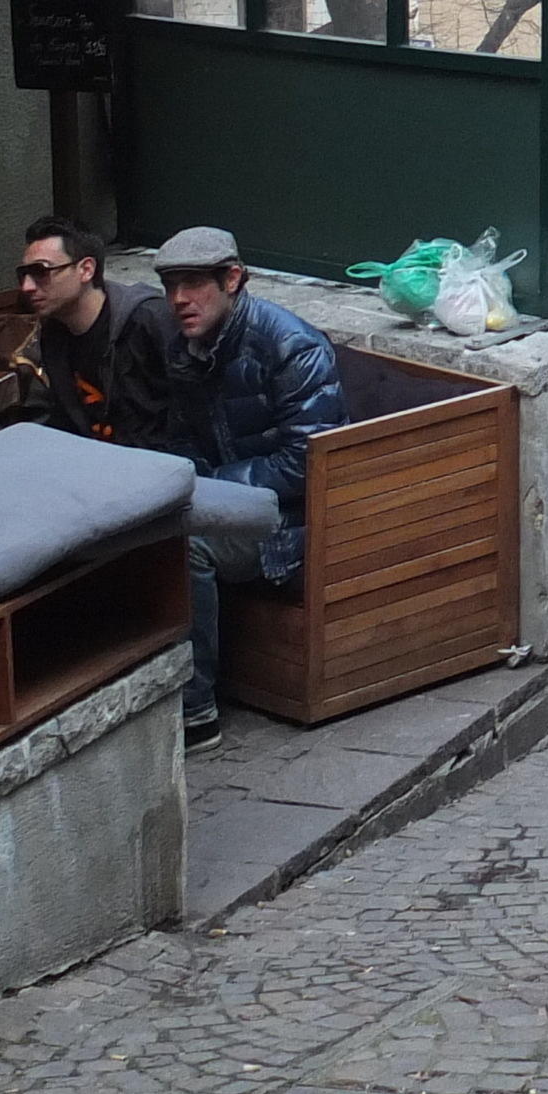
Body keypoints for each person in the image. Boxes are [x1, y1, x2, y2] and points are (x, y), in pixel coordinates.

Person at [146, 226, 343, 751]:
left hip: (292, 522)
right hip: (224, 502)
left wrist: (208, 489)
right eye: (170, 287)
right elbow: (181, 437)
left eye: (193, 284)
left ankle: (197, 711)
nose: (179, 300)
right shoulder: (187, 345)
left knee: (186, 545)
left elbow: (305, 466)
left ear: (232, 279)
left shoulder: (291, 347)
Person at [13, 219, 187, 447]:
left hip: (160, 465)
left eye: (40, 272)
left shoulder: (148, 320)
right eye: (23, 275)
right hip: (96, 462)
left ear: (86, 270)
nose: (27, 286)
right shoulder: (53, 332)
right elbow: (66, 422)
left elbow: (193, 412)